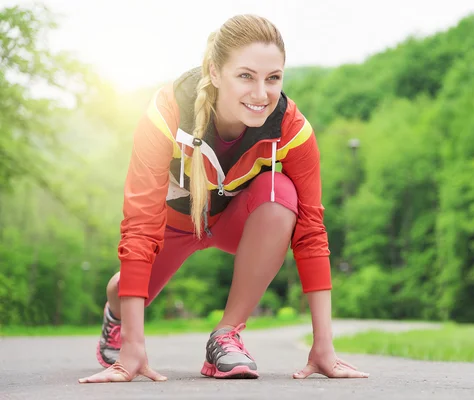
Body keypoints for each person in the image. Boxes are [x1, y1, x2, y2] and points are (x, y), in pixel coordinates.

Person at [78, 14, 369, 383]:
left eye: (273, 78)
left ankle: (226, 335)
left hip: (236, 223)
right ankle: (115, 319)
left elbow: (311, 233)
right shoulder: (166, 114)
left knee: (281, 192)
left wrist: (324, 346)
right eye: (245, 76)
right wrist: (134, 347)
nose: (261, 93)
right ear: (215, 73)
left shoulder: (292, 130)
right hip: (173, 225)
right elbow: (140, 224)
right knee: (124, 291)